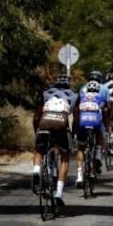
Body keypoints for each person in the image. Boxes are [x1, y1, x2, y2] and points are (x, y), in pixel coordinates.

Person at [32, 74, 78, 204]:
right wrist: (73, 133)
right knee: (65, 157)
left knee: (39, 150)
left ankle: (36, 171)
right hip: (60, 124)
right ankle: (58, 193)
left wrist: (37, 132)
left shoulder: (45, 94)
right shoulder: (74, 96)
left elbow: (36, 117)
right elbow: (76, 119)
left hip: (44, 123)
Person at [74, 80, 108, 184]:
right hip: (95, 123)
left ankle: (79, 176)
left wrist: (75, 128)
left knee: (81, 148)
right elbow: (106, 113)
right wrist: (107, 126)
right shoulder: (101, 97)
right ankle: (97, 156)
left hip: (82, 123)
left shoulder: (81, 97)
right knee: (100, 135)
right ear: (98, 89)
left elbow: (76, 113)